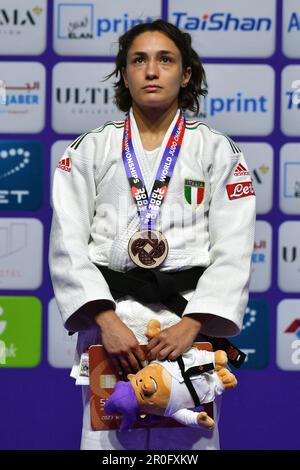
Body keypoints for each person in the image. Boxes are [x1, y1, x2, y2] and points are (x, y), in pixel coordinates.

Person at [49, 19, 256, 451]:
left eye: (165, 59)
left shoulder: (217, 150)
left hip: (187, 330)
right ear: (125, 74)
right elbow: (67, 245)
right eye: (138, 60)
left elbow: (234, 249)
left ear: (185, 75)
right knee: (107, 449)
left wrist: (194, 323)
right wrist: (106, 322)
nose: (151, 70)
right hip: (112, 334)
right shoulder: (90, 149)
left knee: (190, 444)